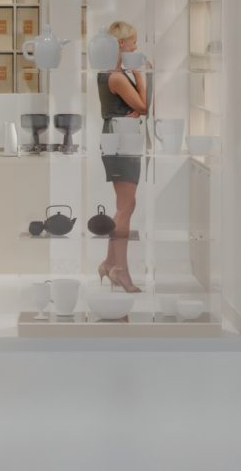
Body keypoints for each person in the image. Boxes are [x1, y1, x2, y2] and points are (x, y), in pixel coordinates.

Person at [96, 20, 149, 293]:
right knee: (125, 206)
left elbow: (138, 107)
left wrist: (138, 102)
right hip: (120, 140)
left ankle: (109, 263)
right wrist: (140, 77)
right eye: (133, 43)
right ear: (120, 44)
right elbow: (143, 106)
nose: (135, 47)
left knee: (126, 204)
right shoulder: (116, 77)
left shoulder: (111, 73)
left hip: (121, 138)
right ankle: (121, 270)